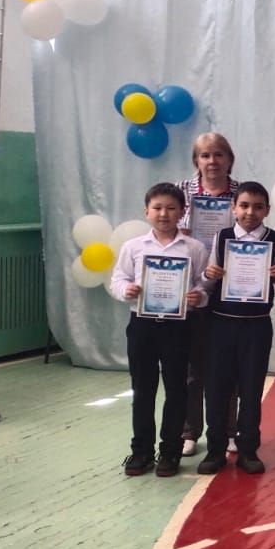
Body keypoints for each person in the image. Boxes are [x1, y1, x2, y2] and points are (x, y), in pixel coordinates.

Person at [109, 183, 209, 477]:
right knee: (143, 389)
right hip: (142, 325)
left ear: (182, 212)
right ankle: (141, 451)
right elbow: (117, 279)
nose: (164, 214)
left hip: (179, 327)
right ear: (147, 211)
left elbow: (205, 285)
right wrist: (126, 289)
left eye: (171, 208)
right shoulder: (133, 247)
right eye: (157, 208)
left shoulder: (194, 248)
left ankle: (170, 451)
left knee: (177, 389)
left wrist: (199, 297)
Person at [198, 180, 275, 475]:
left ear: (267, 210)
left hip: (256, 326)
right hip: (221, 323)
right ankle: (215, 449)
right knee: (217, 388)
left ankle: (248, 449)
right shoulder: (222, 237)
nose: (250, 212)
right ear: (234, 208)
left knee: (251, 388)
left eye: (257, 207)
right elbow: (206, 284)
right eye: (244, 205)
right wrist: (208, 274)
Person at [176, 131, 238, 458]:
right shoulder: (181, 191)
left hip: (230, 287)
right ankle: (189, 431)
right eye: (205, 155)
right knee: (192, 366)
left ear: (229, 159)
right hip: (191, 287)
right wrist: (180, 232)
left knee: (227, 364)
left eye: (218, 154)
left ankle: (228, 430)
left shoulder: (241, 192)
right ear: (196, 161)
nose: (212, 161)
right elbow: (163, 230)